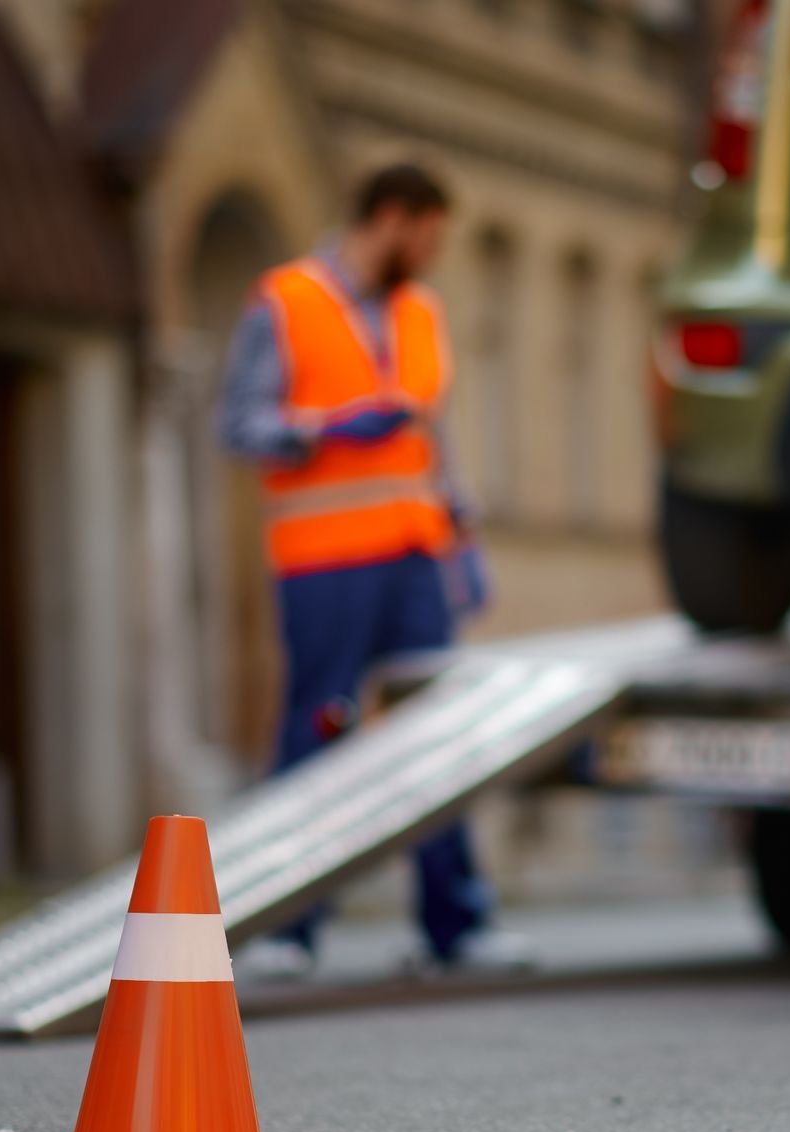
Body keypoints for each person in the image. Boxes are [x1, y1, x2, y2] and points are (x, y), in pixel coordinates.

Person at [218, 163, 529, 978]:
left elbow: (432, 439)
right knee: (318, 731)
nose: (430, 256)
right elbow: (239, 424)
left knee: (437, 737)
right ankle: (286, 928)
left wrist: (462, 539)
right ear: (392, 218)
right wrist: (322, 428)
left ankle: (454, 926)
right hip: (325, 564)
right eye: (427, 237)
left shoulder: (421, 313)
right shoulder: (283, 302)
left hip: (416, 557)